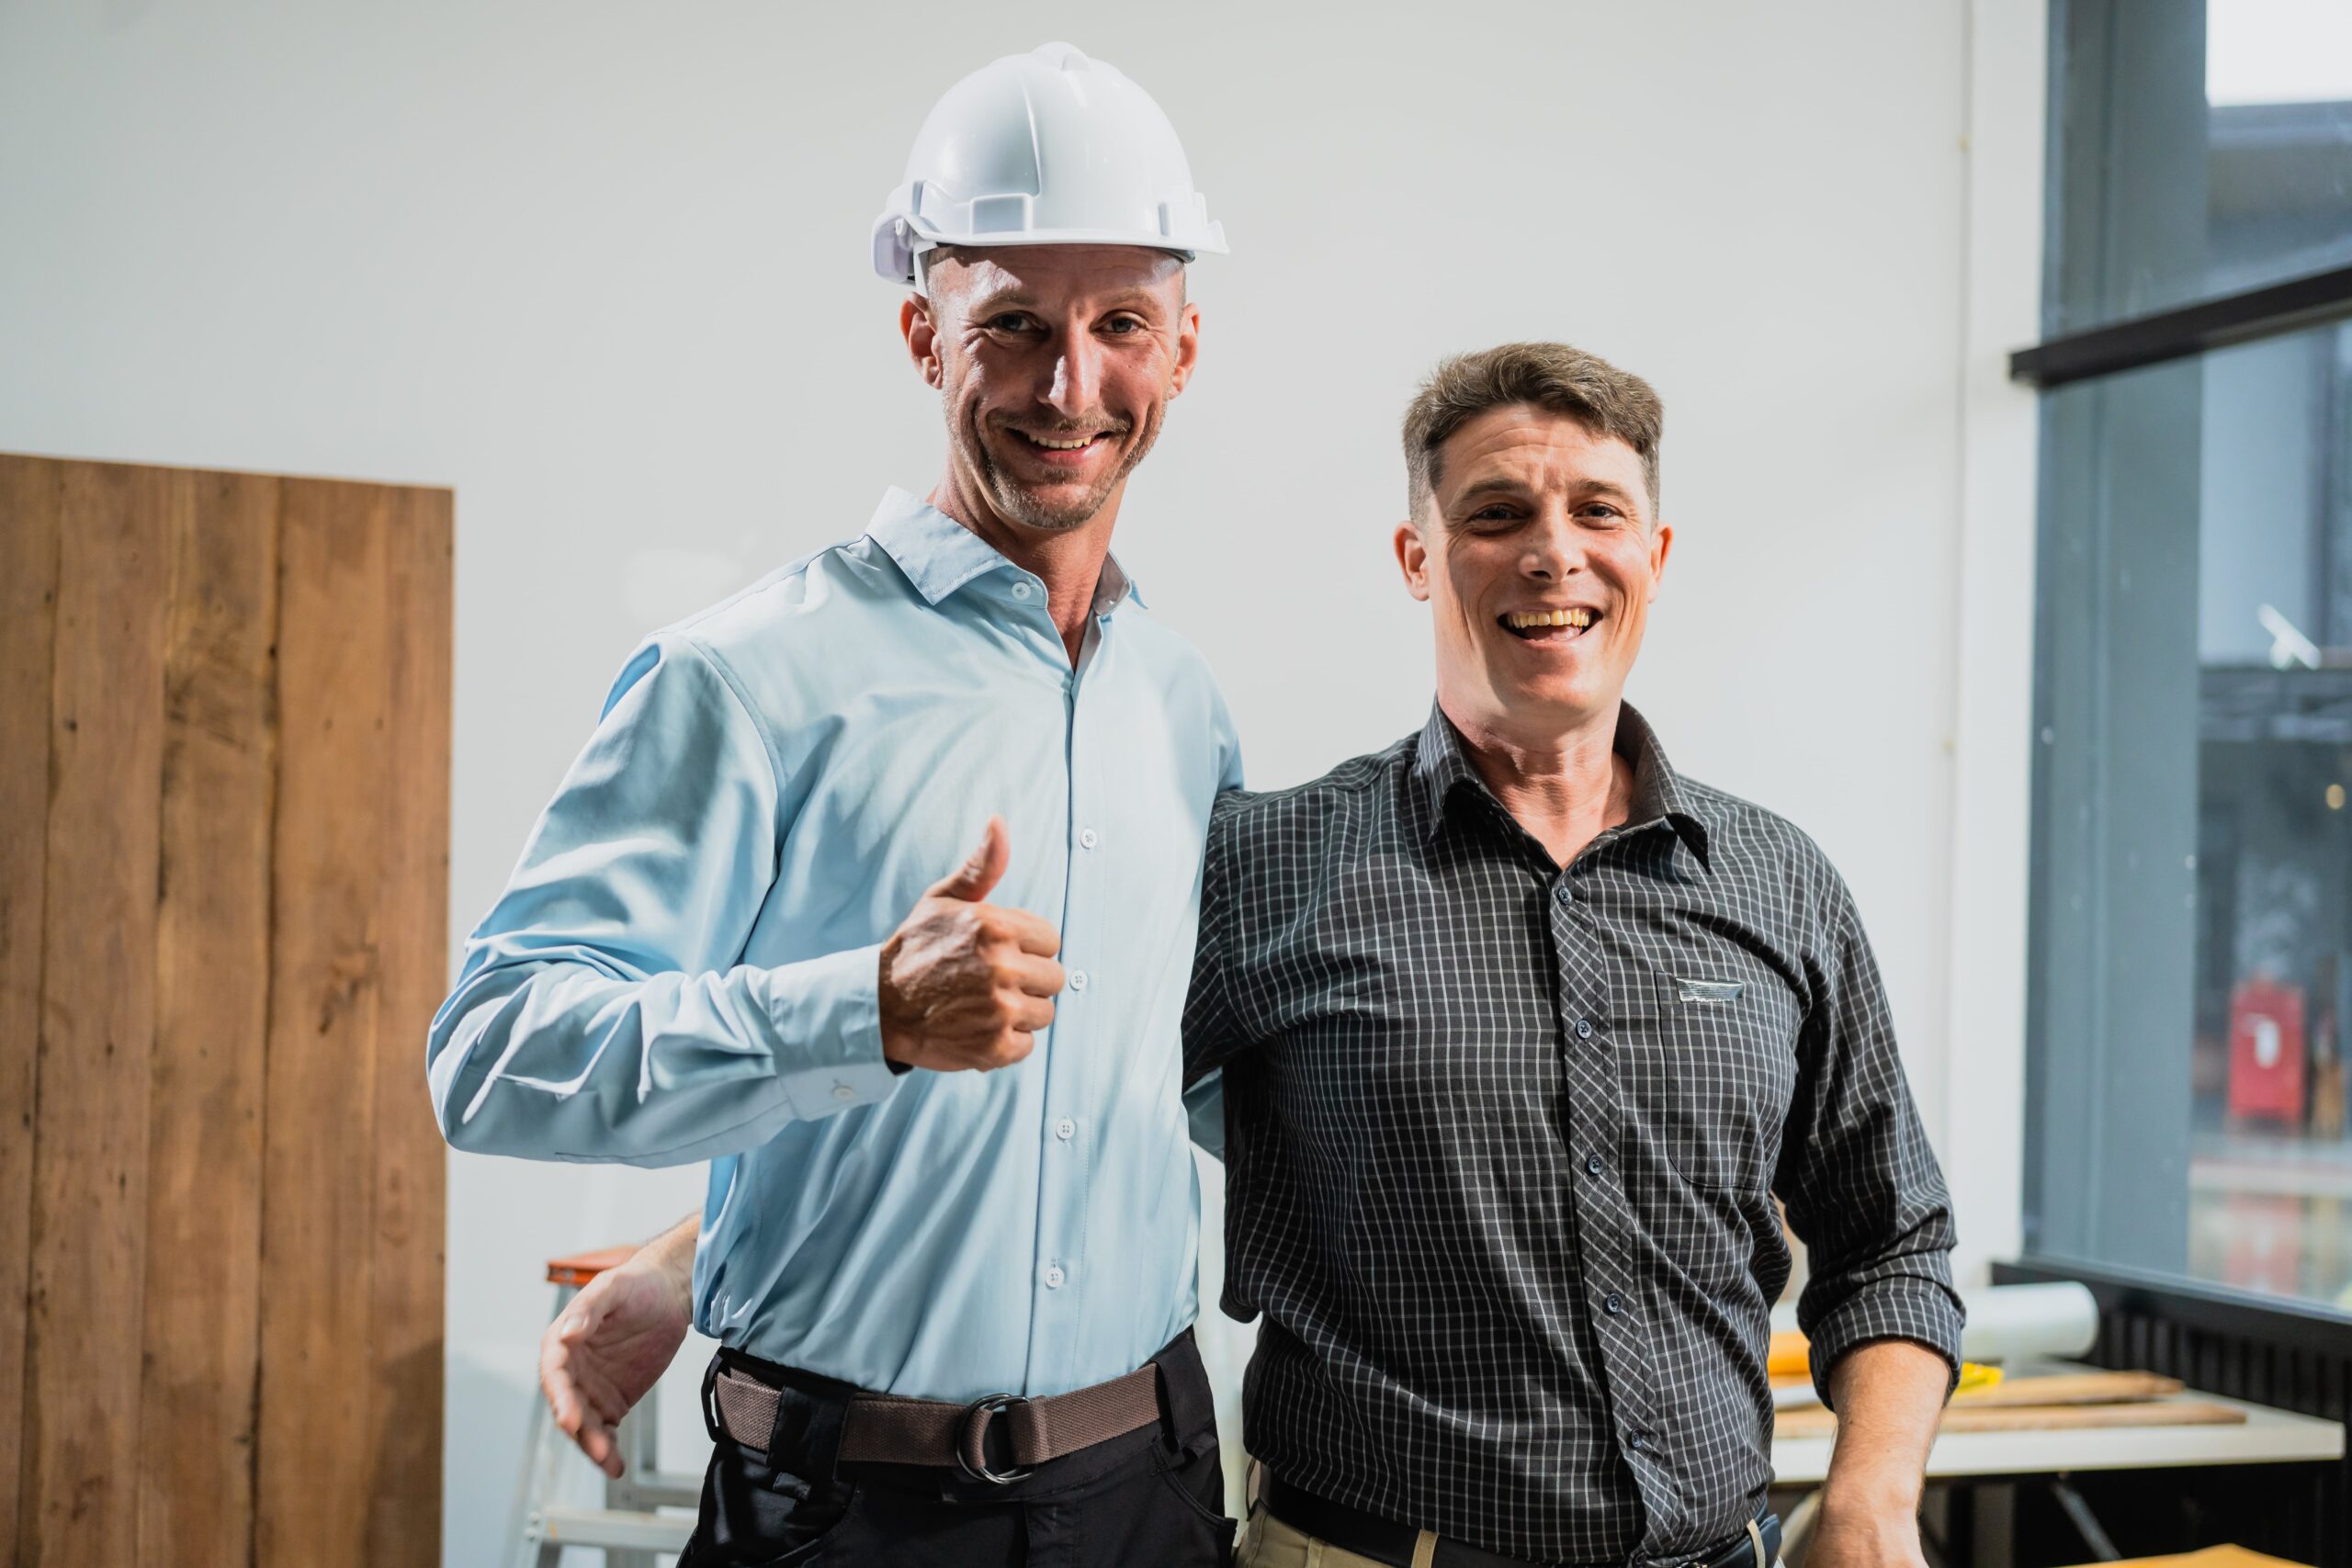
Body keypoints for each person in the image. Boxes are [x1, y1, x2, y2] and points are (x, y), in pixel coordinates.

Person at [542, 343, 1963, 1568]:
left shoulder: (1777, 887)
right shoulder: (1276, 865)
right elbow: (1030, 1078)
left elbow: (1889, 1233)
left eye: (1599, 510)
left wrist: (1871, 1493)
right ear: (1418, 557)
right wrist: (684, 1258)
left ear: (1654, 555)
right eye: (1495, 513)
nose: (1553, 551)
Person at [430, 42, 1242, 1567]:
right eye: (1011, 325)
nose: (1070, 384)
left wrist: (690, 1246)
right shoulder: (747, 679)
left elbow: (1166, 1084)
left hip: (1148, 1493)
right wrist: (860, 1010)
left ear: (1183, 350)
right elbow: (491, 1054)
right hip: (842, 1514)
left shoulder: (1180, 706)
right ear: (922, 333)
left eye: (1119, 322)